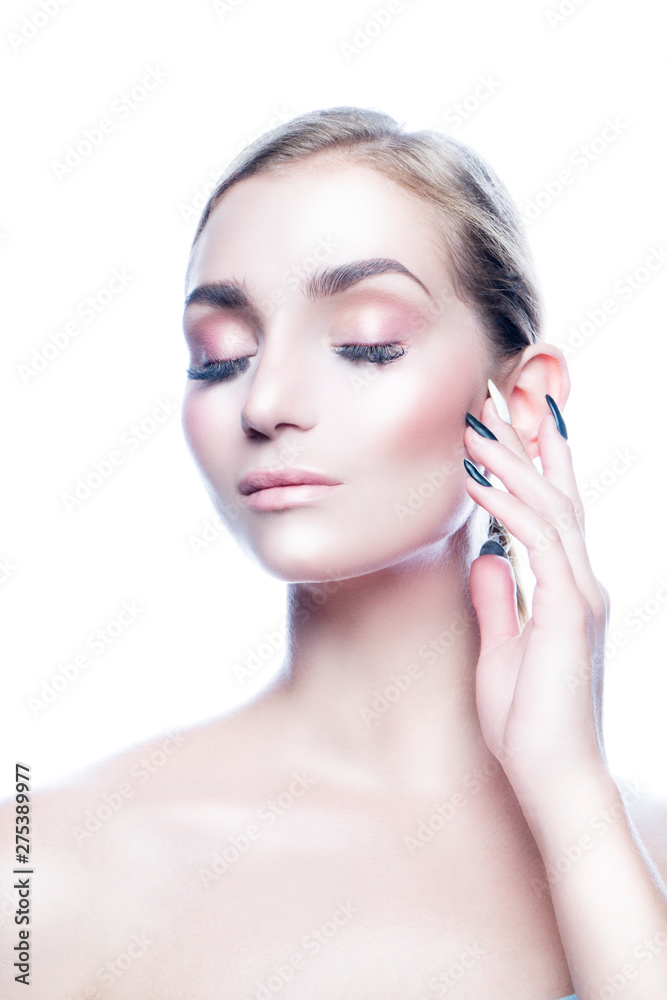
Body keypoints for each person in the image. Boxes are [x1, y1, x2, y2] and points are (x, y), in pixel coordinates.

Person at [2, 106, 666, 999]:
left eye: (365, 344)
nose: (266, 399)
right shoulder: (47, 866)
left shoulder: (640, 852)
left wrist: (573, 795)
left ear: (517, 403)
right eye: (218, 356)